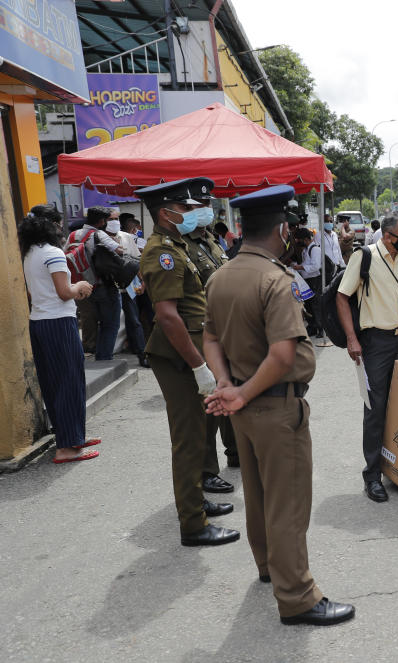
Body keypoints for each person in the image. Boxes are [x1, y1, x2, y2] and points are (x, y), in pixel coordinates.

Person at [203, 184, 355, 627]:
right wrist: (243, 392)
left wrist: (228, 384)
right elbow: (283, 355)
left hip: (245, 408)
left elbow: (209, 336)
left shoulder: (220, 275)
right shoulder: (276, 280)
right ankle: (299, 597)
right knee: (287, 503)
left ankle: (269, 567)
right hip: (272, 405)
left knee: (259, 492)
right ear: (283, 229)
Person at [135, 178, 240, 547]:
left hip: (192, 352)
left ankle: (197, 503)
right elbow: (167, 316)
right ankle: (193, 526)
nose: (194, 211)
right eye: (186, 207)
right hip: (179, 358)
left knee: (198, 434)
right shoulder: (161, 252)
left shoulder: (178, 245)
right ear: (166, 213)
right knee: (189, 440)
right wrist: (199, 367)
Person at [336, 210, 398, 503]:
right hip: (374, 343)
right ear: (388, 236)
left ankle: (395, 466)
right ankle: (372, 476)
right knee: (375, 409)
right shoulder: (365, 257)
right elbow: (342, 296)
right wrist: (351, 338)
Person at [18, 213, 99, 464]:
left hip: (40, 321)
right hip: (59, 322)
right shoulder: (53, 254)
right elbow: (65, 292)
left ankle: (71, 436)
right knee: (69, 381)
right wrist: (81, 287)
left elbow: (34, 293)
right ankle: (68, 446)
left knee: (55, 383)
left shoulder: (30, 255)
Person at [183, 196, 240, 487]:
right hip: (199, 332)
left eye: (205, 205)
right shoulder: (182, 248)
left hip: (224, 327)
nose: (205, 211)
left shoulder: (209, 240)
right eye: (196, 207)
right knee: (207, 404)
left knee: (228, 388)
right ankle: (206, 471)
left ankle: (236, 452)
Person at [74, 206, 124, 360]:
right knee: (110, 324)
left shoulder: (73, 235)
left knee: (95, 321)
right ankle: (104, 357)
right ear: (102, 221)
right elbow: (120, 250)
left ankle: (99, 354)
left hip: (83, 286)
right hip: (103, 285)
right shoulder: (98, 234)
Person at [105, 217, 148, 368]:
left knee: (134, 320)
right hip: (109, 288)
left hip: (129, 287)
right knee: (110, 323)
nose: (114, 221)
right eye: (111, 218)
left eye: (116, 218)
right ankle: (106, 357)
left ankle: (142, 353)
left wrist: (143, 282)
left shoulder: (127, 237)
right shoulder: (99, 238)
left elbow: (137, 262)